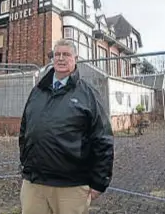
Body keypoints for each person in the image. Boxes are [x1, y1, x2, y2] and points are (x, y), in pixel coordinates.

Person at [19, 39, 114, 214]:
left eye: (67, 54)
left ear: (75, 58)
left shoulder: (88, 94)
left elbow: (103, 139)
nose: (61, 58)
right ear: (52, 58)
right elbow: (25, 129)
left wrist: (100, 182)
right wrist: (26, 162)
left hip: (72, 187)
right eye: (57, 54)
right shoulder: (37, 91)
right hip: (34, 184)